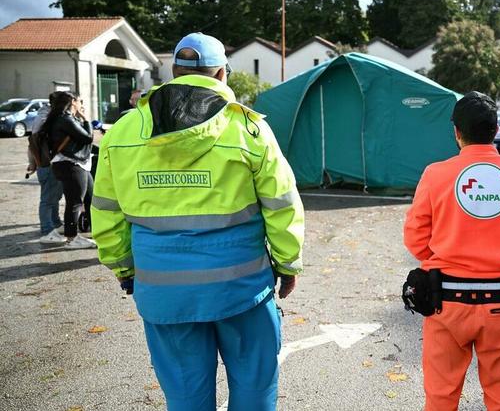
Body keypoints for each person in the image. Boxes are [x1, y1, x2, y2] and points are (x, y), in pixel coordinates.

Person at [91, 32, 304, 411]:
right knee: (255, 388)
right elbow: (282, 205)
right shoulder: (248, 129)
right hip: (242, 289)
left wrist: (123, 267)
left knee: (186, 396)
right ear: (222, 74)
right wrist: (288, 265)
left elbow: (106, 212)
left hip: (163, 291)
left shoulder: (123, 132)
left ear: (174, 71)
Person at [403, 91, 500, 411]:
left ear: (456, 132)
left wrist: (445, 256)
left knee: (440, 399)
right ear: (496, 130)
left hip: (446, 304)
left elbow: (415, 239)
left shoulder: (435, 175)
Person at [45, 91, 96, 249]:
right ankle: (72, 238)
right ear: (73, 102)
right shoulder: (65, 119)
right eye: (80, 101)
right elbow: (87, 137)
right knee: (75, 202)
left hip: (77, 163)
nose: (82, 104)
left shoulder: (65, 118)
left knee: (90, 197)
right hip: (71, 164)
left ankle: (93, 229)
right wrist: (86, 119)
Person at [27, 92, 65, 244]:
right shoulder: (45, 119)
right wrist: (33, 162)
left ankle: (55, 223)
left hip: (49, 163)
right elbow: (34, 143)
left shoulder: (47, 117)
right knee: (48, 198)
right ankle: (47, 230)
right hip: (48, 164)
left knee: (54, 196)